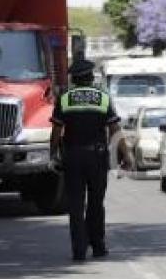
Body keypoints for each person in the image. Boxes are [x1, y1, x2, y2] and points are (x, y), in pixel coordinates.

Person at [50, 58, 133, 261]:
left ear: (75, 79)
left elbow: (57, 131)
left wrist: (53, 153)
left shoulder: (65, 98)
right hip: (96, 157)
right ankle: (97, 246)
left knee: (76, 205)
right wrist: (127, 154)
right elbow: (115, 129)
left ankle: (79, 250)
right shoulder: (102, 98)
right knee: (96, 203)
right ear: (90, 76)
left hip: (73, 157)